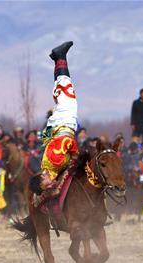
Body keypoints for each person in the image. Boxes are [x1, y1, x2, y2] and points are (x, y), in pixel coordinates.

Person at [32, 41, 80, 207]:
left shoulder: (54, 163)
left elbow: (68, 143)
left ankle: (60, 56)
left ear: (42, 177)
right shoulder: (47, 167)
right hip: (55, 127)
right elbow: (45, 141)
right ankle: (58, 59)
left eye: (46, 184)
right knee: (61, 94)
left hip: (64, 126)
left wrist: (75, 155)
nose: (50, 184)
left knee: (67, 94)